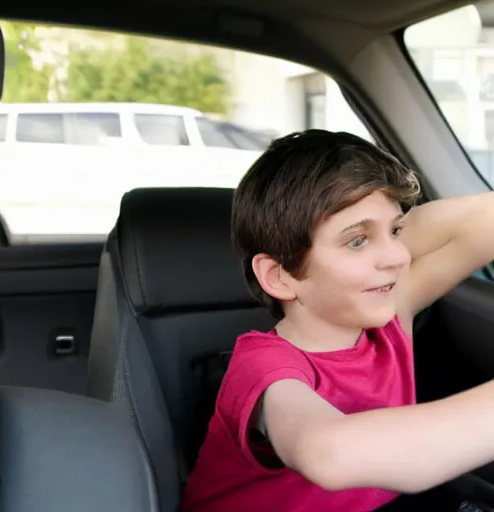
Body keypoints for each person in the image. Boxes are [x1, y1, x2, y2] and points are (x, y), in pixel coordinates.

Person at [181, 130, 494, 512]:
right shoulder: (264, 367)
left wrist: (379, 225)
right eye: (357, 241)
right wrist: (380, 225)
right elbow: (328, 453)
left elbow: (482, 222)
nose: (397, 256)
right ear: (280, 276)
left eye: (396, 231)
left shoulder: (391, 315)